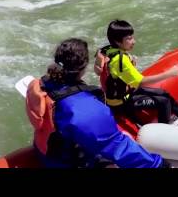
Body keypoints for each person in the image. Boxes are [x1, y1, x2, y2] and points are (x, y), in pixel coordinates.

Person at [26, 37, 169, 168]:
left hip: (45, 151)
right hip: (67, 162)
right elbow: (117, 147)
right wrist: (158, 164)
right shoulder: (81, 108)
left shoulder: (42, 84)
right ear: (84, 67)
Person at [94, 20, 178, 124]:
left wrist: (97, 66)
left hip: (128, 92)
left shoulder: (107, 49)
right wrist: (169, 74)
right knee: (163, 101)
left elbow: (100, 57)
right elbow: (142, 82)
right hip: (121, 104)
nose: (134, 41)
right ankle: (163, 132)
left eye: (132, 37)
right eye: (129, 39)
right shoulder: (121, 60)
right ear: (117, 42)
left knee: (163, 93)